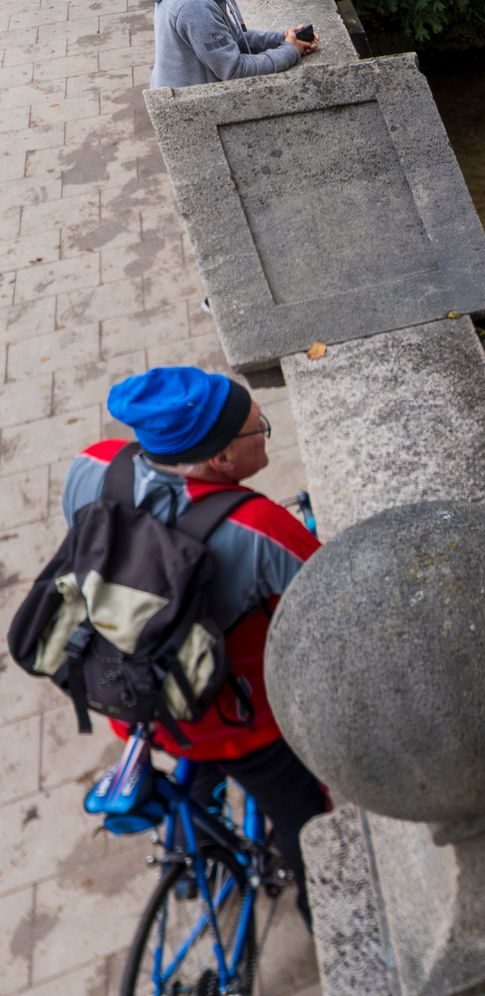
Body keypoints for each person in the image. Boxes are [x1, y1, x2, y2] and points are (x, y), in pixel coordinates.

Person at [63, 367, 328, 922]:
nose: (267, 433)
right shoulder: (259, 527)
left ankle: (199, 862)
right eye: (262, 429)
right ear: (223, 461)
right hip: (242, 725)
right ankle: (328, 915)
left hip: (132, 701)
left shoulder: (92, 464)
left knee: (193, 779)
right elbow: (334, 614)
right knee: (313, 829)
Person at [143, 0, 318, 89]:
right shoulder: (194, 6)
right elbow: (234, 70)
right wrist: (290, 51)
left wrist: (282, 38)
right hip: (194, 112)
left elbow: (234, 38)